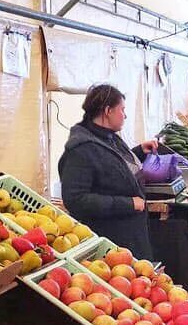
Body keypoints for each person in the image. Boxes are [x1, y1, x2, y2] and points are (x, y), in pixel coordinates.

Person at [58, 84, 158, 259]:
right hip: (111, 244)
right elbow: (76, 199)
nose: (125, 115)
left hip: (130, 236)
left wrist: (139, 151)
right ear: (107, 111)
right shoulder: (80, 150)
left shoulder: (108, 137)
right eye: (122, 109)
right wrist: (127, 204)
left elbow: (111, 167)